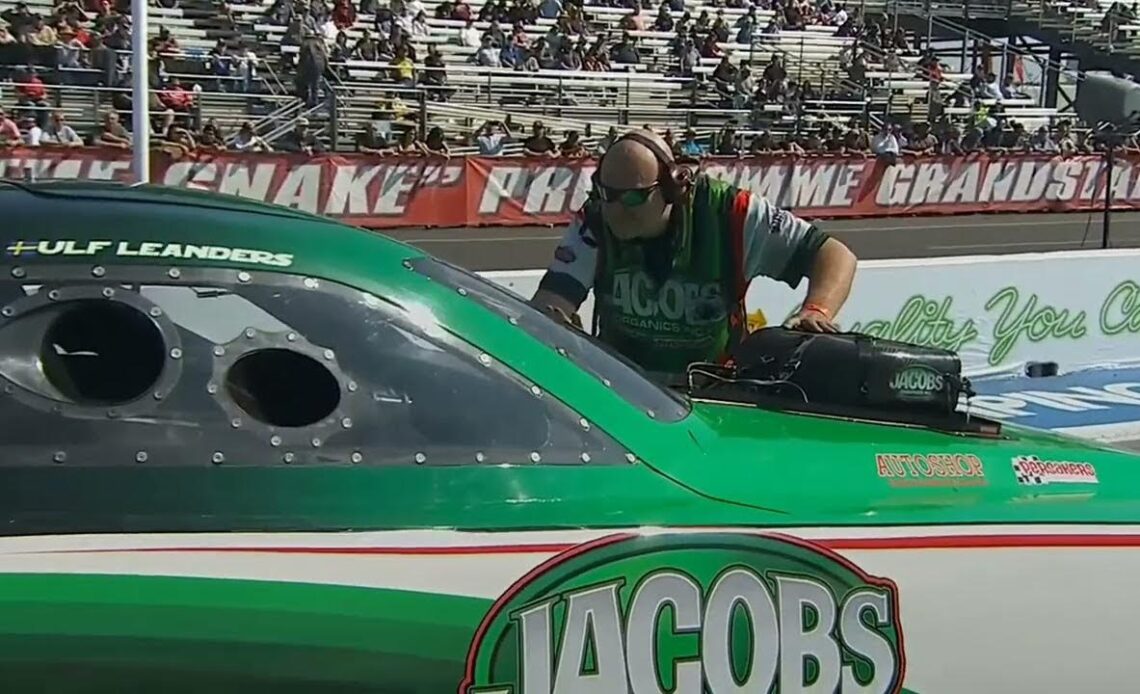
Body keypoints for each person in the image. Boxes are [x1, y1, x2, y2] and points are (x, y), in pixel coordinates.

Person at [529, 128, 857, 385]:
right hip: (624, 390)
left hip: (713, 389)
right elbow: (553, 297)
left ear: (673, 188)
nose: (615, 210)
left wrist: (815, 309)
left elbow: (833, 253)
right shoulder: (595, 218)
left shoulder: (731, 213)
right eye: (605, 192)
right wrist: (553, 323)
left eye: (632, 198)